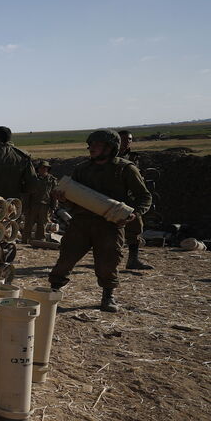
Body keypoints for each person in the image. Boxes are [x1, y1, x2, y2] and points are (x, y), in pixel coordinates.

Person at [48, 129, 152, 313]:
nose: (91, 148)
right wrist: (63, 199)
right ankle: (53, 292)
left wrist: (134, 214)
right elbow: (73, 197)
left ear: (110, 147)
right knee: (66, 258)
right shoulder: (82, 169)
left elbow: (144, 196)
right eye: (90, 144)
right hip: (80, 223)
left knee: (108, 261)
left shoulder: (125, 169)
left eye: (96, 144)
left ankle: (108, 296)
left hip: (110, 224)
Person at [118, 130, 151, 270]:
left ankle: (133, 260)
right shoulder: (107, 157)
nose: (127, 142)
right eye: (124, 139)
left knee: (135, 227)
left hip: (130, 198)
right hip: (113, 197)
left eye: (130, 139)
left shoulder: (134, 157)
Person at [25, 161, 57, 242]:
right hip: (33, 204)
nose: (42, 169)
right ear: (38, 169)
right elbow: (28, 194)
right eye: (41, 168)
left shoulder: (52, 180)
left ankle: (40, 240)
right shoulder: (33, 179)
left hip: (45, 205)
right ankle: (25, 239)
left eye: (44, 168)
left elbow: (54, 194)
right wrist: (26, 206)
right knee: (29, 222)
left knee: (42, 224)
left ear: (47, 169)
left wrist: (53, 207)